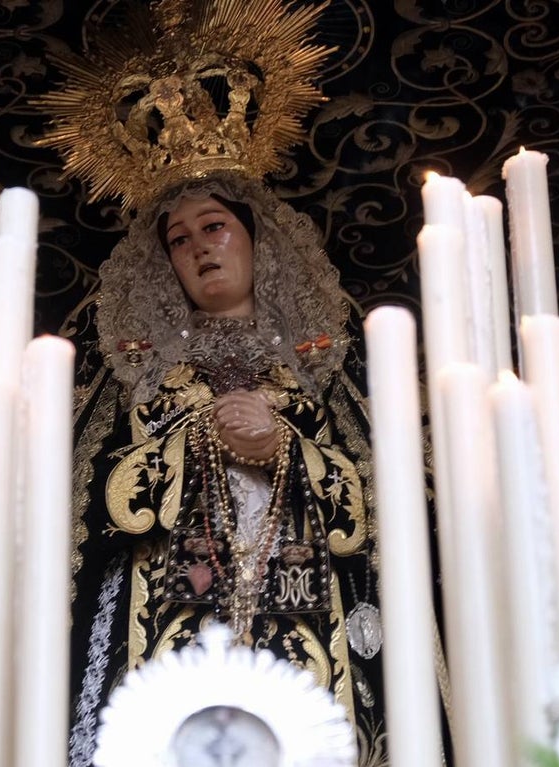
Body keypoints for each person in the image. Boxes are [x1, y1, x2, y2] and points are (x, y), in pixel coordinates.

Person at [67, 171, 386, 766]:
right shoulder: (136, 378)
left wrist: (286, 450)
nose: (199, 248)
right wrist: (194, 440)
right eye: (179, 240)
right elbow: (83, 499)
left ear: (255, 239)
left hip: (310, 605)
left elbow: (388, 492)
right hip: (164, 613)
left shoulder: (323, 368)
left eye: (214, 226)